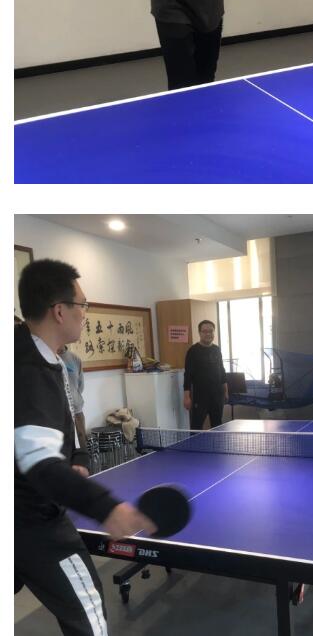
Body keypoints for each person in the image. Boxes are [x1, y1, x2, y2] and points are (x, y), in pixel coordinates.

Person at [15, 259, 154, 635]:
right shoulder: (28, 369)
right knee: (89, 609)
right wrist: (106, 507)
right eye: (83, 305)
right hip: (32, 518)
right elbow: (39, 462)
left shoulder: (49, 359)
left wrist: (78, 458)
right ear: (59, 311)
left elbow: (66, 418)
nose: (85, 313)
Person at [183, 319, 228, 430]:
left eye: (211, 331)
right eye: (205, 331)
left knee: (217, 426)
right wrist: (187, 397)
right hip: (200, 396)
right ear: (199, 333)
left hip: (217, 396)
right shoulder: (193, 351)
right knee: (196, 427)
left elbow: (222, 371)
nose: (208, 334)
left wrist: (226, 391)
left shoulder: (217, 350)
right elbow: (187, 375)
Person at [59, 347, 87, 452]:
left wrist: (73, 397)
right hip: (58, 413)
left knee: (82, 446)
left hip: (76, 411)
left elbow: (80, 386)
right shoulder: (48, 358)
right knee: (64, 449)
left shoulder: (75, 359)